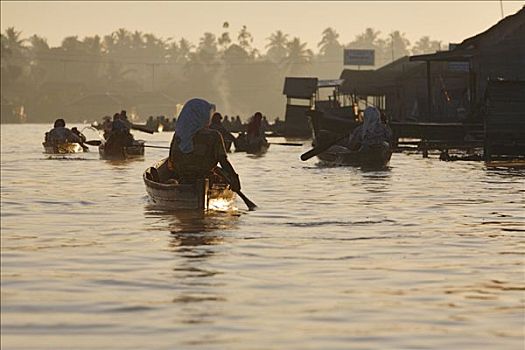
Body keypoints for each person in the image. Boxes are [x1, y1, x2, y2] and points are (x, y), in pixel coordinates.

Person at [168, 98, 241, 191]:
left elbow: (171, 162)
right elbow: (223, 161)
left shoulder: (178, 135)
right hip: (205, 178)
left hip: (183, 178)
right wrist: (233, 177)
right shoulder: (213, 136)